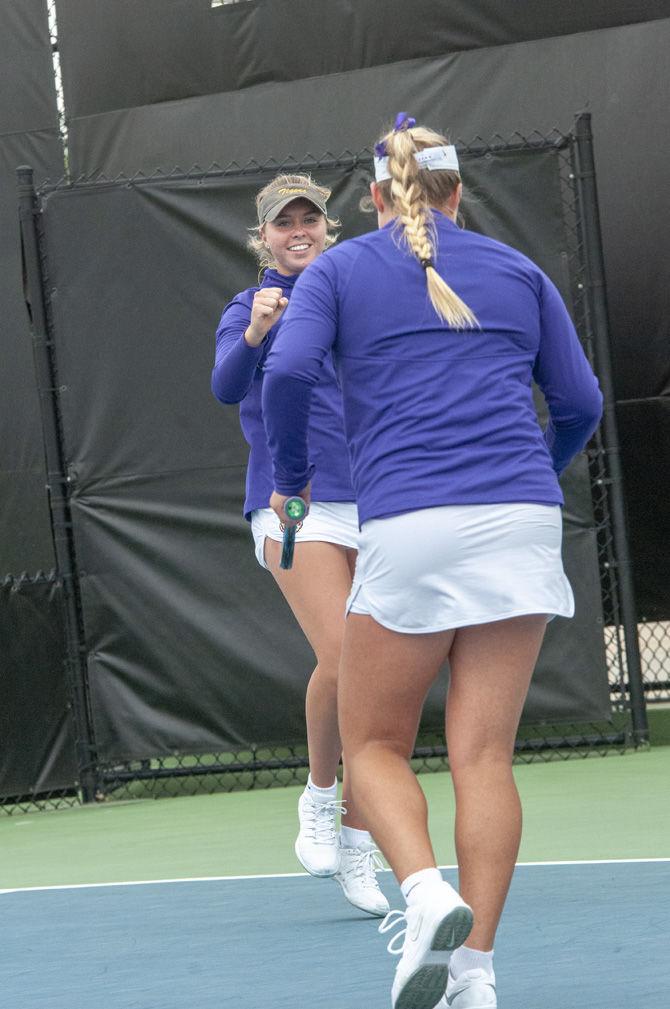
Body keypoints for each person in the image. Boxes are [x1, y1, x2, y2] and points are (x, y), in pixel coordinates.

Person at [261, 116, 603, 1009]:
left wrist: (292, 479)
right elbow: (580, 402)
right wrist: (533, 473)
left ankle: (423, 892)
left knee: (370, 739)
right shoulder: (518, 270)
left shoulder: (336, 270)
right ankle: (475, 975)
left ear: (375, 197)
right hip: (524, 517)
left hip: (412, 522)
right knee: (483, 756)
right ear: (459, 190)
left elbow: (288, 372)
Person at [211, 173, 389, 917]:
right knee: (350, 657)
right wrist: (256, 331)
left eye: (309, 219)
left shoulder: (355, 295)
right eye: (283, 224)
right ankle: (320, 796)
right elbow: (226, 387)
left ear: (327, 227)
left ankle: (356, 833)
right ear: (264, 238)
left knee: (372, 674)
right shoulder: (249, 307)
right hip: (294, 506)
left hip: (380, 501)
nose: (298, 231)